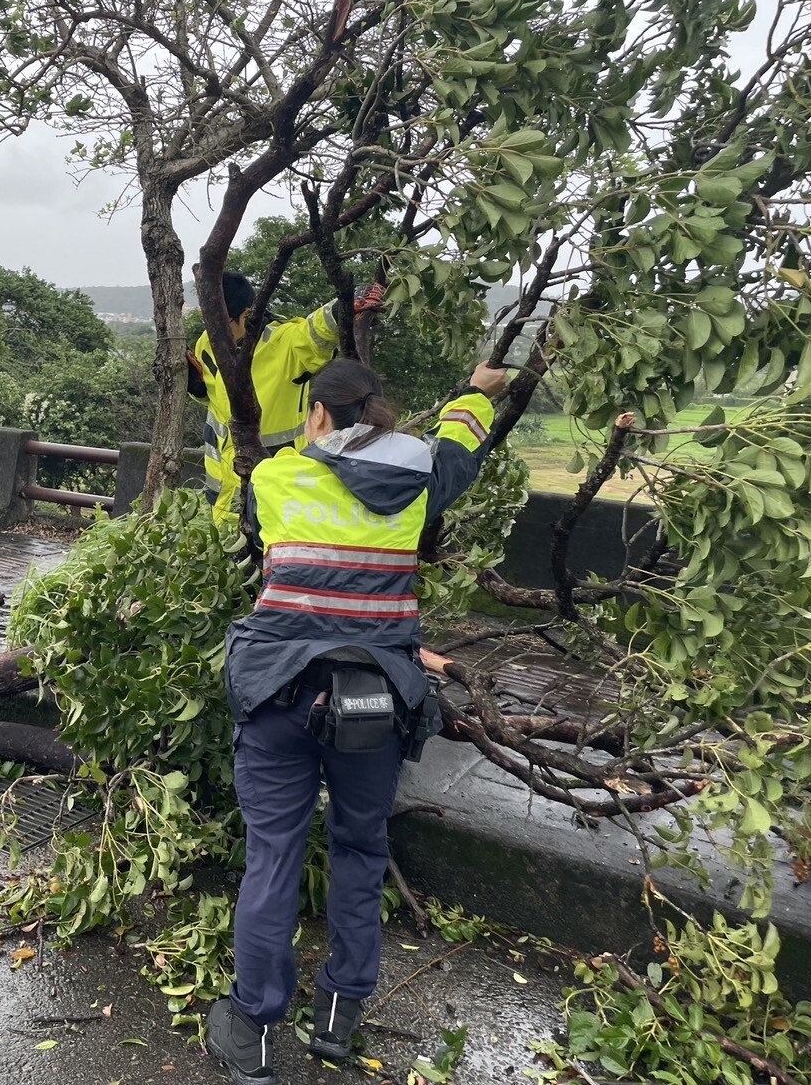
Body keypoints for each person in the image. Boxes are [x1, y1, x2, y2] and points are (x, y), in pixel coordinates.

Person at [204, 358, 509, 1084]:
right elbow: (461, 446)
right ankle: (338, 1017)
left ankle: (253, 1019)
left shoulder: (274, 479)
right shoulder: (421, 482)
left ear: (317, 415)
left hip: (281, 692)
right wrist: (478, 391)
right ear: (378, 413)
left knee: (273, 853)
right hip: (373, 701)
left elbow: (255, 534)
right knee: (359, 848)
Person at [187, 271, 384, 524]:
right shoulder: (208, 341)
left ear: (246, 316)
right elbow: (216, 400)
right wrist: (197, 388)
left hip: (275, 495)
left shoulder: (283, 343)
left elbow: (315, 332)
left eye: (221, 321)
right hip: (223, 498)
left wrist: (344, 304)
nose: (212, 329)